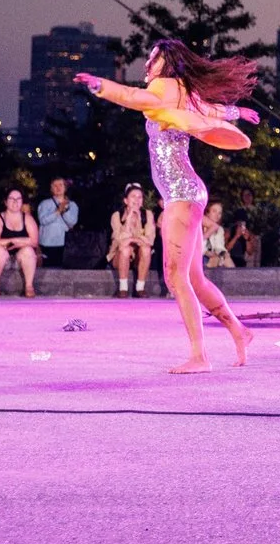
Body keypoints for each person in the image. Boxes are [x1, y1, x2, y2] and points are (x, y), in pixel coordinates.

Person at [76, 39, 257, 373]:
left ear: (167, 62)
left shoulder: (162, 88)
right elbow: (211, 111)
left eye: (153, 57)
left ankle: (200, 356)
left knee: (175, 277)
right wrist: (237, 112)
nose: (148, 62)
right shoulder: (183, 92)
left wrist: (100, 86)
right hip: (189, 192)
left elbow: (131, 97)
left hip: (182, 194)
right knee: (195, 279)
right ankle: (238, 330)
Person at [0, 188, 41, 298]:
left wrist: (15, 242)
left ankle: (29, 286)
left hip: (21, 257)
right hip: (3, 257)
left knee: (29, 251)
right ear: (6, 202)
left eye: (18, 199)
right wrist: (17, 242)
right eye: (12, 199)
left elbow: (34, 241)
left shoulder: (28, 219)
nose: (15, 202)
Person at [107, 184, 155, 295]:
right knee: (125, 249)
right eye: (133, 196)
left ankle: (140, 288)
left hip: (138, 257)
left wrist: (133, 239)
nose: (137, 200)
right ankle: (123, 288)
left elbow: (150, 239)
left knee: (146, 249)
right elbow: (119, 241)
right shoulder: (117, 216)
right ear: (126, 200)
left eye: (140, 197)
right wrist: (128, 220)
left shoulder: (148, 215)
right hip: (119, 256)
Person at [36, 177, 79, 268]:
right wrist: (57, 211)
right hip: (47, 244)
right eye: (55, 185)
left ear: (65, 188)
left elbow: (72, 222)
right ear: (51, 189)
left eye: (60, 185)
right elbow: (43, 221)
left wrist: (65, 210)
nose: (58, 188)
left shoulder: (72, 205)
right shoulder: (44, 204)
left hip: (65, 244)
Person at [201, 200, 233, 270]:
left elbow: (219, 247)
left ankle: (236, 279)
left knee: (225, 258)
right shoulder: (199, 225)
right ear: (207, 212)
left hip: (212, 256)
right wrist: (207, 252)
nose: (217, 215)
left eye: (220, 213)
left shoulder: (219, 229)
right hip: (198, 256)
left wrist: (223, 253)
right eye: (214, 211)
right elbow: (197, 246)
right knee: (215, 258)